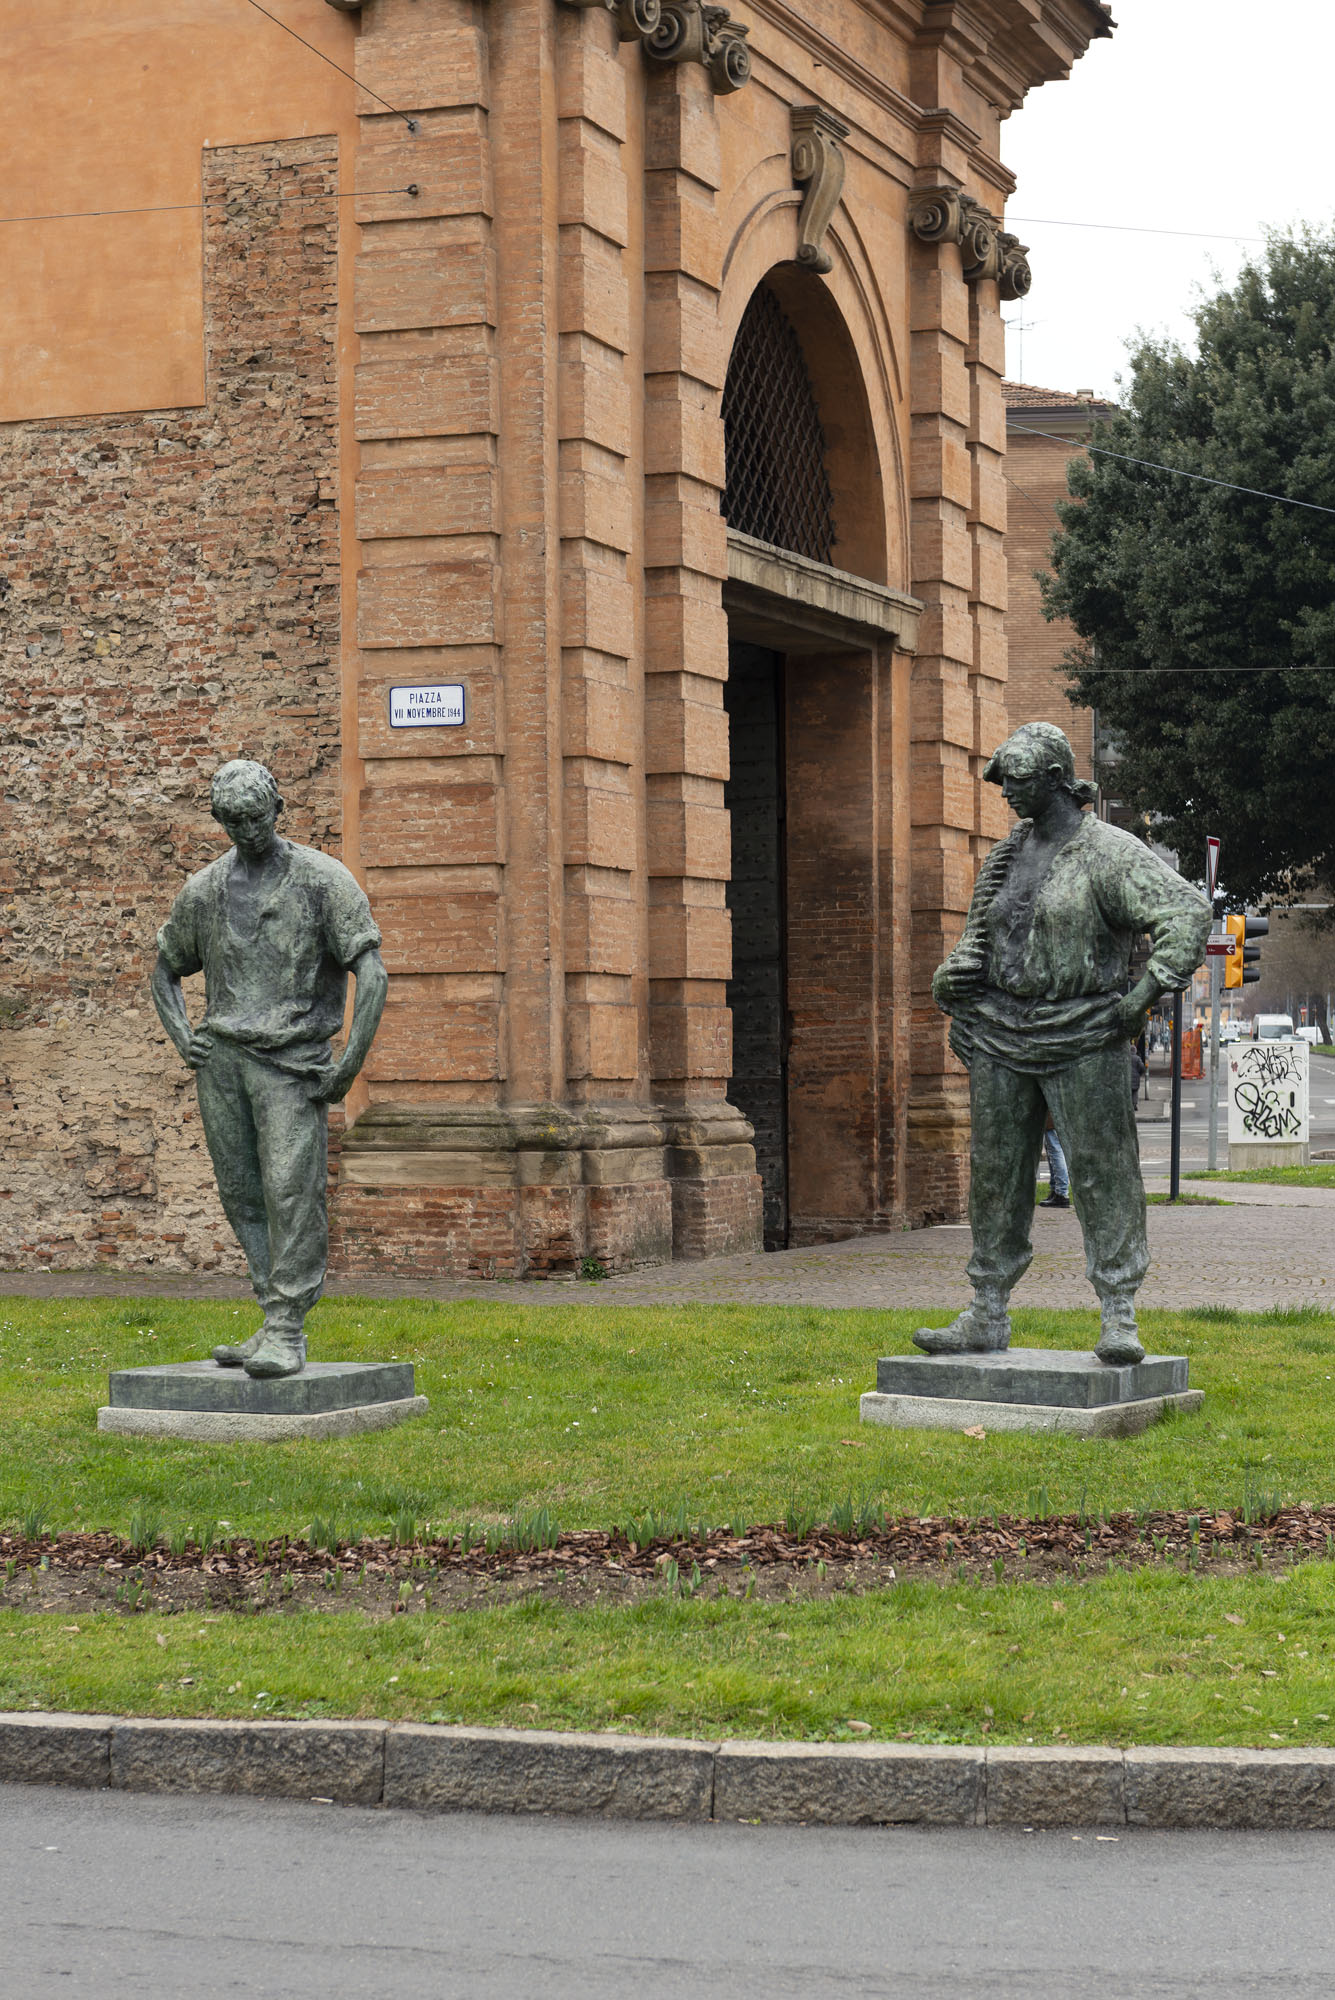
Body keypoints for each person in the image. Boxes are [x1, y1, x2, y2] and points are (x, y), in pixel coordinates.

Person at [915, 722, 1210, 1366]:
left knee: (1103, 1169)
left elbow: (1186, 911)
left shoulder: (1108, 850)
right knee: (995, 1173)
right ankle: (987, 1308)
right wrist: (948, 981)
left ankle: (1118, 1311)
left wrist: (1141, 998)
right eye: (1002, 781)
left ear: (1053, 779)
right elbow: (977, 948)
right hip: (999, 1030)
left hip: (1082, 1030)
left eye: (1016, 781)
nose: (1006, 793)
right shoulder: (1003, 857)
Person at [151, 760, 388, 1378]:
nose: (247, 829)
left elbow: (374, 973)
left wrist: (347, 1068)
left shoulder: (322, 880)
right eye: (233, 821)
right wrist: (183, 1036)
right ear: (220, 820)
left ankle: (288, 1327)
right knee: (243, 1194)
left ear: (277, 809)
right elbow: (166, 968)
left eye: (256, 817)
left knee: (291, 1192)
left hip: (291, 1063)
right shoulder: (204, 889)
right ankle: (269, 1314)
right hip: (222, 1062)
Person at [1039, 1113, 1069, 1209]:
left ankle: (1061, 1193)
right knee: (1053, 1151)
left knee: (1055, 1151)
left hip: (1052, 1118)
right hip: (1055, 1118)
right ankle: (1056, 1191)